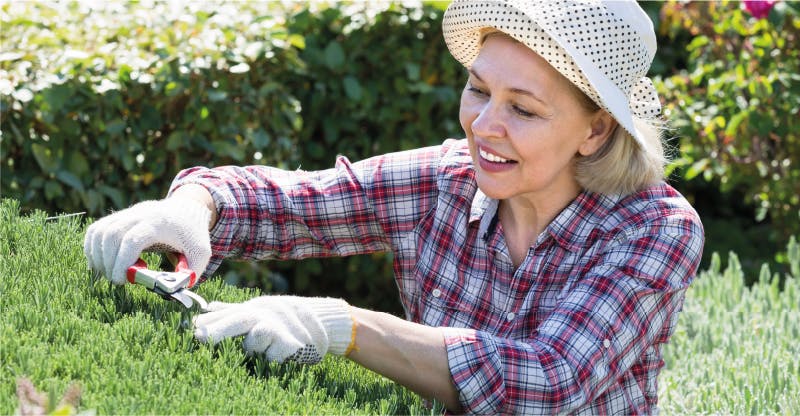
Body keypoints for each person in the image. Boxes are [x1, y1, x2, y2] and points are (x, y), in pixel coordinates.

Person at [83, 0, 704, 414]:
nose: (483, 126)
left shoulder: (654, 229)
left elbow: (549, 381)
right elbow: (297, 204)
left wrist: (344, 326)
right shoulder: (446, 180)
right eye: (479, 89)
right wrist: (195, 207)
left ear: (595, 131)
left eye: (524, 108)